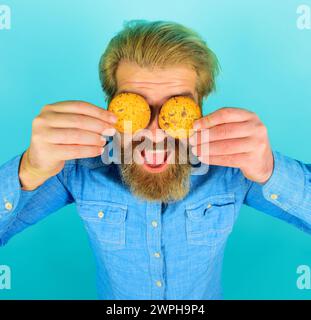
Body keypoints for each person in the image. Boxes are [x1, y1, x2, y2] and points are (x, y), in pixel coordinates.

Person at [0, 20, 310, 300]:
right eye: (136, 107)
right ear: (110, 106)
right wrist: (27, 170)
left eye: (176, 108)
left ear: (201, 107)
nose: (155, 132)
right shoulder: (77, 166)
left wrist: (271, 170)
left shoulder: (234, 167)